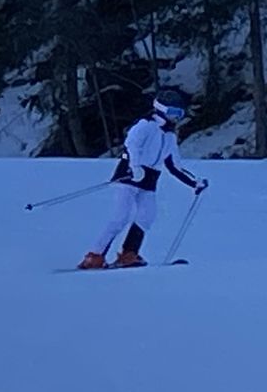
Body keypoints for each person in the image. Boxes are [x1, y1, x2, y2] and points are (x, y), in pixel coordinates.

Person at [80, 93, 208, 269]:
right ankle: (94, 256)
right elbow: (131, 145)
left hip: (149, 181)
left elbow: (173, 165)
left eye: (179, 114)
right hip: (129, 176)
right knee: (120, 217)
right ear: (161, 109)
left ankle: (129, 253)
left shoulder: (170, 136)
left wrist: (194, 182)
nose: (175, 118)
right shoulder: (145, 125)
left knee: (147, 216)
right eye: (172, 112)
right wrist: (135, 167)